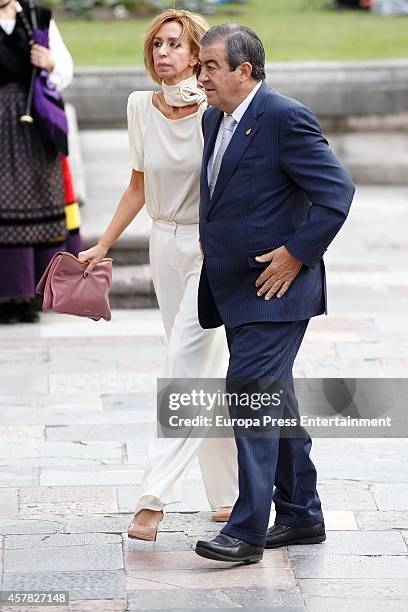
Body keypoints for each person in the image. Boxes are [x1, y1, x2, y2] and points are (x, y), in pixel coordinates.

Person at [194, 23, 355, 563]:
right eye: (200, 66)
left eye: (210, 66)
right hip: (233, 288)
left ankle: (246, 531)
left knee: (250, 396)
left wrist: (296, 254)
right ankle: (302, 513)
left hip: (276, 290)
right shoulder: (214, 118)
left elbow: (336, 192)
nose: (201, 75)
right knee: (273, 400)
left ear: (244, 70)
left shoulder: (284, 116)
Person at [78, 9, 238, 542]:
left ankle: (154, 498)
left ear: (197, 54)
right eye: (156, 46)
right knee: (200, 369)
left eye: (174, 44)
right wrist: (102, 244)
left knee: (184, 365)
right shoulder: (138, 108)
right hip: (162, 246)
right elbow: (137, 186)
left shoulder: (215, 108)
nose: (162, 53)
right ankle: (229, 495)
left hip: (208, 248)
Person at [0, 0, 82, 324]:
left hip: (33, 121)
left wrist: (49, 63)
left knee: (36, 196)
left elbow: (65, 70)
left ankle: (30, 295)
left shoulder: (36, 17)